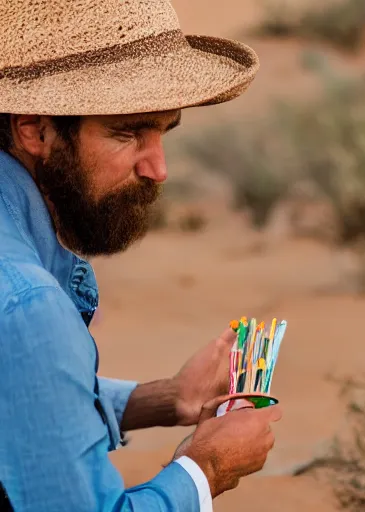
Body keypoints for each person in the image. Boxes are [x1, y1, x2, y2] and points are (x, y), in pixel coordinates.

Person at [0, 1, 282, 511]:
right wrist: (206, 469)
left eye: (164, 132)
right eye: (127, 132)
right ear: (33, 129)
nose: (158, 168)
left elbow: (20, 396)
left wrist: (164, 399)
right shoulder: (27, 303)